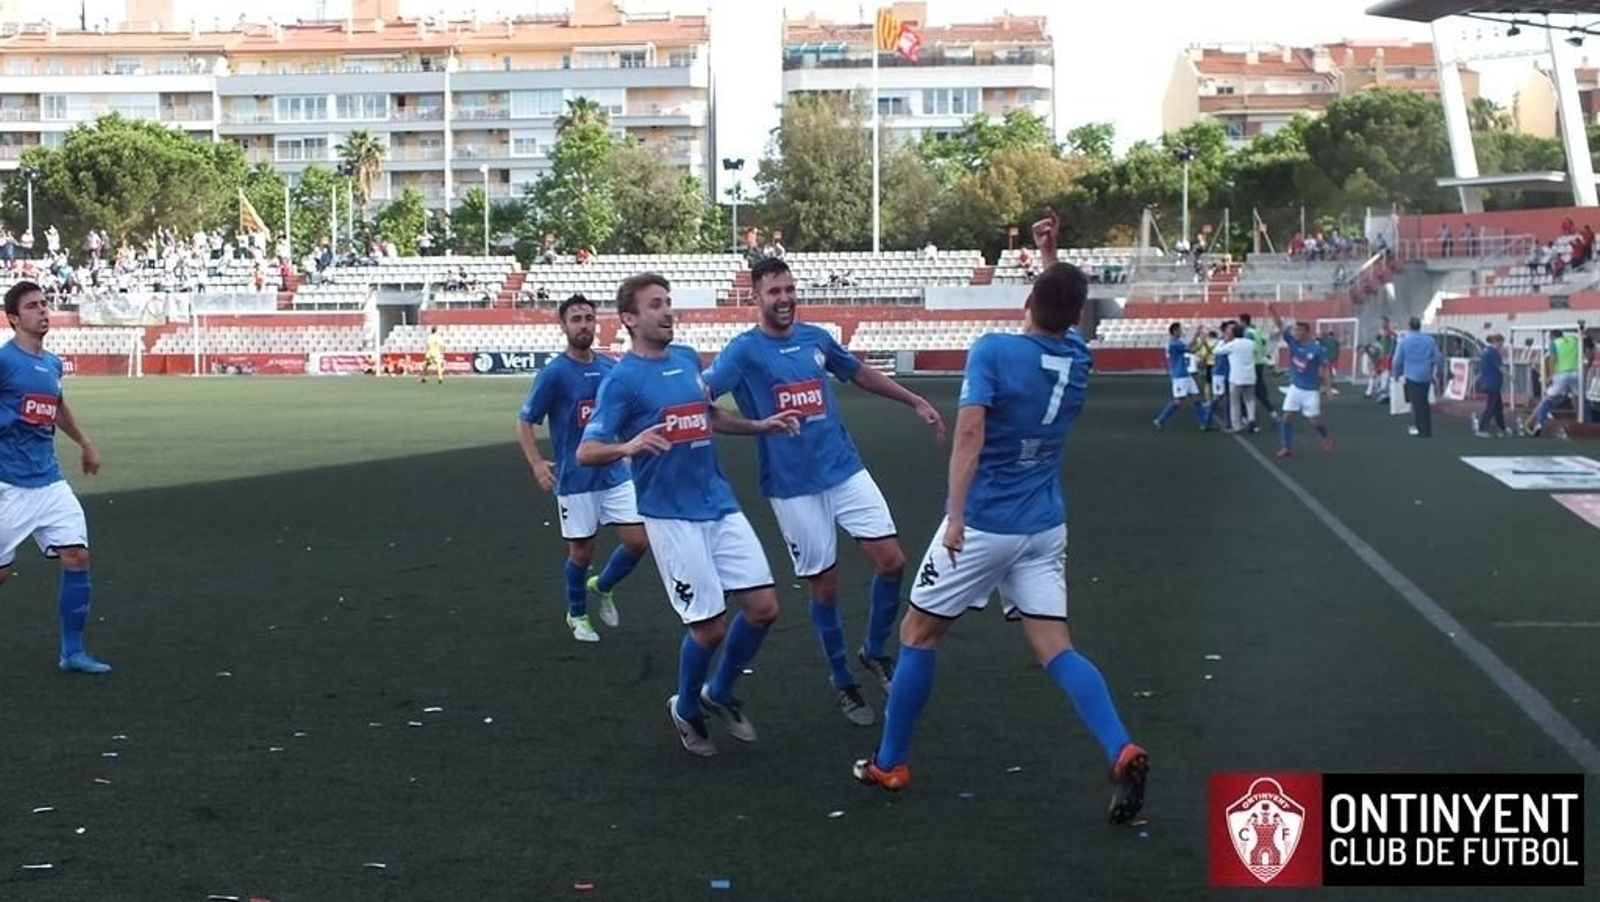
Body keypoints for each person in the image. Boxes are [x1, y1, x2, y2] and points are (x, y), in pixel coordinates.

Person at [851, 212, 1148, 826]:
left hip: (985, 523)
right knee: (1055, 646)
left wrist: (955, 517)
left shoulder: (993, 351)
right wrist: (1051, 254)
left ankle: (890, 761)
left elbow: (969, 438)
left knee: (916, 633)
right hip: (1044, 526)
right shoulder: (1079, 357)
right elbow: (1061, 309)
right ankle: (1121, 747)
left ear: (1030, 299)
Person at [704, 257, 946, 726]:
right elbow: (703, 405)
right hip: (793, 487)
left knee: (893, 562)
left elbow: (857, 372)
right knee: (826, 587)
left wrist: (914, 400)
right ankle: (842, 681)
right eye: (774, 291)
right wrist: (757, 425)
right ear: (755, 298)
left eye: (790, 289)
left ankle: (874, 651)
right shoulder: (742, 352)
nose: (785, 298)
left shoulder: (816, 338)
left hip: (843, 468)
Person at [577, 273, 800, 757]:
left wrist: (760, 424)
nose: (667, 311)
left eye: (669, 303)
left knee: (764, 609)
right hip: (670, 516)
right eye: (656, 305)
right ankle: (686, 708)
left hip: (718, 501)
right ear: (631, 319)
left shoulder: (685, 358)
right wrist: (628, 446)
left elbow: (709, 415)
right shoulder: (622, 381)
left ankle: (717, 694)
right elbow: (586, 451)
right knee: (710, 627)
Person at [517, 295, 649, 643]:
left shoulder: (610, 367)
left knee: (638, 542)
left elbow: (623, 414)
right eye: (575, 319)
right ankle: (576, 613)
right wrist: (535, 463)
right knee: (581, 552)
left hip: (615, 474)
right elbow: (526, 420)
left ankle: (602, 585)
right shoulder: (555, 374)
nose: (583, 325)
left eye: (588, 318)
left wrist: (629, 447)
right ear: (563, 325)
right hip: (576, 479)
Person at [0, 281, 110, 674]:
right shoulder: (4, 362)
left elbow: (57, 405)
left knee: (77, 555)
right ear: (14, 318)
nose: (42, 311)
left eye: (44, 304)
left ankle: (73, 652)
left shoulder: (52, 363)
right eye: (32, 306)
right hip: (8, 484)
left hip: (48, 480)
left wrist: (84, 442)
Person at [1267, 304, 1333, 457]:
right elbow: (1281, 326)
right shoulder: (1292, 343)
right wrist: (1272, 311)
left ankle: (1325, 436)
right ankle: (1286, 447)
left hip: (1311, 391)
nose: (1295, 333)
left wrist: (1328, 388)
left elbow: (1325, 369)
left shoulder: (1317, 349)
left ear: (1306, 332)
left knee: (1314, 420)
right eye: (1295, 330)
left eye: (1298, 330)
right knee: (1287, 416)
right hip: (1295, 388)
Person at [1152, 322, 1210, 432]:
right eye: (1179, 330)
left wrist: (1198, 338)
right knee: (1178, 402)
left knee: (1196, 398)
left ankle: (1203, 424)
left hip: (1184, 374)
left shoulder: (1175, 342)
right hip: (1180, 376)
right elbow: (1191, 349)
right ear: (1174, 331)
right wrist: (1199, 338)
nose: (1181, 331)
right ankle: (1160, 419)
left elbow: (1190, 348)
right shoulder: (1174, 343)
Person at [1523, 328, 1582, 437]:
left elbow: (1553, 359)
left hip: (1561, 374)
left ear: (1552, 336)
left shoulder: (1554, 343)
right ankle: (1580, 419)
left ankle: (1539, 424)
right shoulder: (1574, 341)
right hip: (1576, 372)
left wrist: (1549, 376)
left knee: (1548, 398)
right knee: (1578, 397)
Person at [1391, 317, 1441, 438]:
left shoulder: (1404, 341)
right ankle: (1426, 428)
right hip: (1426, 375)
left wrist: (1396, 374)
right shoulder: (1429, 340)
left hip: (1411, 375)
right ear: (1420, 326)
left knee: (1416, 403)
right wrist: (1438, 371)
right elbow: (1438, 357)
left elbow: (1397, 360)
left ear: (1409, 326)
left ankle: (1421, 429)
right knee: (1424, 402)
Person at [1214, 322, 1258, 433]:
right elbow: (1255, 352)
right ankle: (1251, 418)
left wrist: (1222, 340)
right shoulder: (1250, 343)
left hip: (1236, 377)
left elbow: (1217, 351)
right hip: (1250, 375)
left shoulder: (1233, 344)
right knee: (1250, 399)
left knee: (1235, 402)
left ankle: (1237, 426)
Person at [1239, 312, 1276, 421]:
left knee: (1244, 390)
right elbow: (1263, 344)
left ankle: (1246, 416)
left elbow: (1248, 348)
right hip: (1260, 363)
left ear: (1244, 322)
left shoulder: (1247, 333)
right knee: (1260, 390)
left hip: (1252, 364)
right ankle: (1272, 411)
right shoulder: (1257, 332)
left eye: (1240, 321)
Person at [1474, 333, 1508, 438]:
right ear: (1496, 342)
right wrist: (1510, 375)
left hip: (1488, 381)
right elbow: (1499, 367)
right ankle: (1482, 428)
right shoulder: (1493, 353)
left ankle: (1502, 427)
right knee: (1491, 407)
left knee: (1498, 407)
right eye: (1501, 343)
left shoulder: (1485, 351)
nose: (1501, 346)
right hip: (1493, 382)